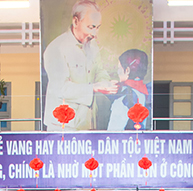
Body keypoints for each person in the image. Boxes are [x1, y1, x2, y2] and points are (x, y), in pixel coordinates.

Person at [43, 0, 117, 131]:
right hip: (63, 126)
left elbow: (99, 70)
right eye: (91, 27)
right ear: (75, 21)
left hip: (87, 122)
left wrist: (106, 83)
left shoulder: (92, 46)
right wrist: (94, 88)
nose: (94, 34)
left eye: (98, 27)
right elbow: (61, 89)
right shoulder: (57, 48)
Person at [107, 49, 149, 131]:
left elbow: (113, 131)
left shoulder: (123, 98)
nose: (118, 72)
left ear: (127, 70)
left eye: (119, 68)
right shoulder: (146, 93)